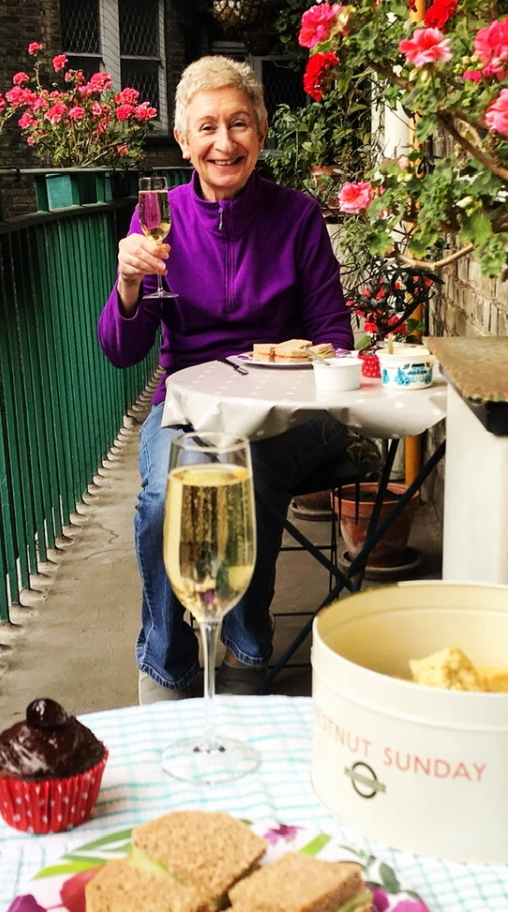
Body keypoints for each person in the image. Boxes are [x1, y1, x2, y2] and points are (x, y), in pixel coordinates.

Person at [97, 56, 354, 704]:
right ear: (183, 141)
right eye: (207, 127)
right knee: (164, 499)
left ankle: (246, 647)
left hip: (290, 409)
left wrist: (287, 367)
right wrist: (128, 283)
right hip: (188, 404)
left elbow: (336, 340)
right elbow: (122, 352)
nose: (224, 142)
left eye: (239, 123)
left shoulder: (297, 217)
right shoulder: (159, 218)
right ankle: (168, 659)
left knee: (244, 473)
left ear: (261, 134)